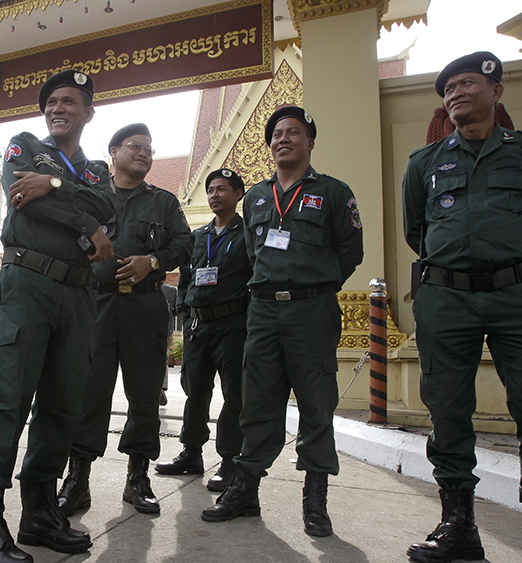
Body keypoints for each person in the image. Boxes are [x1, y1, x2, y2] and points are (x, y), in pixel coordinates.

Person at [402, 52, 522, 563]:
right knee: (447, 413)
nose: (455, 92)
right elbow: (420, 233)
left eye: (467, 83)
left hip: (519, 295)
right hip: (446, 299)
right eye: (448, 87)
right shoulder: (425, 164)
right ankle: (458, 528)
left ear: (496, 92)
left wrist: (503, 253)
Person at [0, 69, 114, 563]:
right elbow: (26, 202)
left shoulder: (99, 170)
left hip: (78, 293)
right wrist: (82, 217)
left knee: (64, 404)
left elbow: (109, 206)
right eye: (51, 102)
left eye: (69, 101)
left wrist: (55, 186)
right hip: (29, 283)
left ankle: (39, 512)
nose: (57, 108)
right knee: (9, 396)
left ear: (88, 111)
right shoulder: (23, 144)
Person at [202, 107, 363, 538]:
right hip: (264, 311)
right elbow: (255, 257)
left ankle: (315, 500)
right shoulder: (255, 196)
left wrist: (312, 282)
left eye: (293, 132)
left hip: (312, 310)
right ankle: (246, 491)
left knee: (316, 403)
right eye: (276, 133)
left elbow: (350, 251)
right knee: (257, 402)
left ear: (310, 141)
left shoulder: (332, 192)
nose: (283, 139)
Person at [57, 123, 192, 516]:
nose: (145, 153)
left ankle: (138, 478)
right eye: (135, 146)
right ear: (113, 151)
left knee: (146, 394)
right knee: (88, 392)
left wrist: (151, 261)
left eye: (150, 149)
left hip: (145, 308)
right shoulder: (91, 197)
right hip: (95, 306)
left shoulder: (163, 203)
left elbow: (184, 244)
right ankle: (77, 479)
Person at [155, 168, 250, 493]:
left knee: (233, 394)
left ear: (238, 194)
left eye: (222, 189)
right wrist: (183, 310)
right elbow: (184, 279)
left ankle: (229, 460)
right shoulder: (198, 237)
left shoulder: (247, 235)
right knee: (195, 391)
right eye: (210, 190)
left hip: (233, 323)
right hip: (198, 324)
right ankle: (191, 453)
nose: (214, 195)